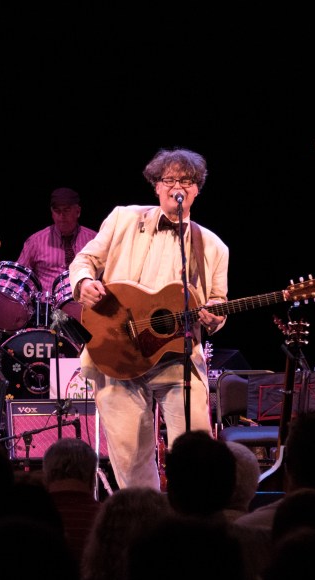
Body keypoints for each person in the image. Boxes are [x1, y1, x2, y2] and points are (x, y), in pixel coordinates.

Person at [69, 148, 229, 489]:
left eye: (186, 181)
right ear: (156, 186)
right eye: (169, 179)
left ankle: (193, 511)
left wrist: (215, 316)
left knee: (196, 450)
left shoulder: (213, 247)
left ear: (197, 189)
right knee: (131, 458)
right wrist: (83, 282)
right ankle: (145, 515)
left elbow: (218, 301)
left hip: (176, 359)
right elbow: (84, 260)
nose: (177, 187)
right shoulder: (123, 219)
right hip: (118, 353)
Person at [16, 187, 98, 293]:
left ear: (78, 212)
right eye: (57, 211)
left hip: (86, 301)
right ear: (52, 213)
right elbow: (19, 277)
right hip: (47, 302)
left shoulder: (94, 240)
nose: (61, 215)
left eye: (66, 210)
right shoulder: (35, 241)